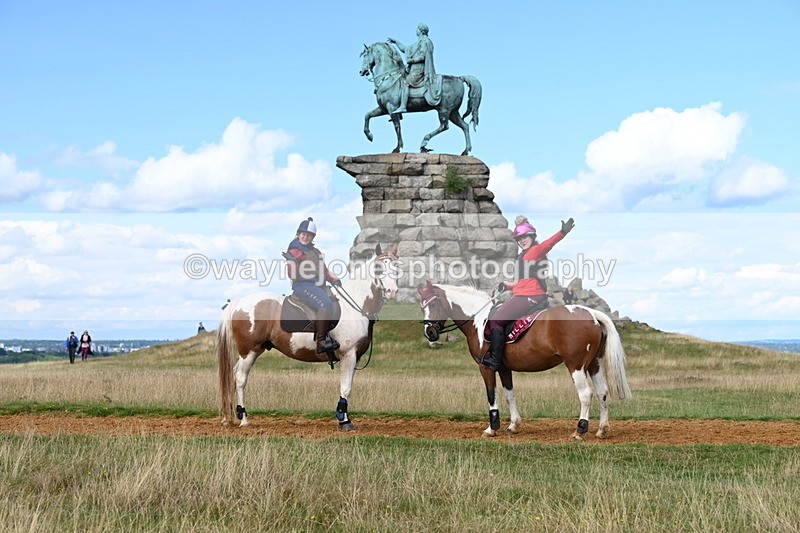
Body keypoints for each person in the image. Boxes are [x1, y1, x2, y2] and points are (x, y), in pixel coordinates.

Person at [483, 216, 575, 371]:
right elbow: (521, 283)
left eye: (525, 237)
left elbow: (549, 244)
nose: (522, 240)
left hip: (530, 296)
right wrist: (506, 285)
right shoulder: (521, 256)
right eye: (519, 238)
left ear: (532, 236)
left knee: (496, 321)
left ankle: (495, 360)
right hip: (522, 294)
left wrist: (562, 232)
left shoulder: (535, 251)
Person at [284, 217, 342, 354]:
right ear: (298, 234)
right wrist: (292, 264)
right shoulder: (294, 251)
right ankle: (321, 342)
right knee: (325, 304)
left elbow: (325, 270)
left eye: (308, 235)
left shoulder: (315, 252)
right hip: (303, 286)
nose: (305, 237)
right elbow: (292, 274)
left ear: (312, 237)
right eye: (303, 234)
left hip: (318, 286)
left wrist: (333, 279)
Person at [387, 23, 441, 114]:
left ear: (420, 30)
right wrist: (396, 42)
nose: (416, 30)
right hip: (414, 69)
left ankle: (403, 106)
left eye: (417, 29)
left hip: (420, 69)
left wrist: (412, 60)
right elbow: (405, 49)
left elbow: (423, 56)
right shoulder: (418, 43)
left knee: (405, 82)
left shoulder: (425, 42)